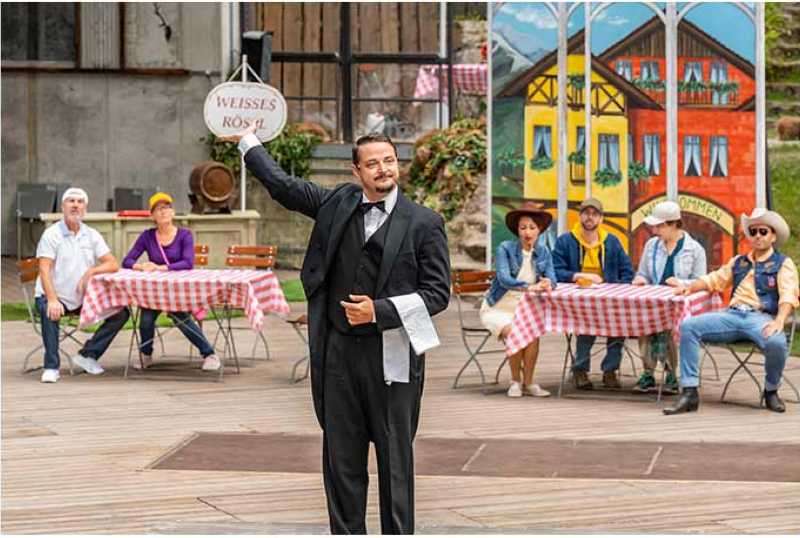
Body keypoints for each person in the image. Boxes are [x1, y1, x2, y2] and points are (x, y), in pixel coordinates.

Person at [220, 126, 450, 534]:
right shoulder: (337, 204)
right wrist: (247, 142)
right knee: (341, 460)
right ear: (357, 170)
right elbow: (283, 186)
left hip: (391, 356)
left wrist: (379, 311)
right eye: (373, 163)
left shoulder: (424, 223)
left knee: (396, 461)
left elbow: (437, 294)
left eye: (389, 161)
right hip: (339, 355)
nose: (383, 169)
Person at [665, 209, 799, 414]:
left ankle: (771, 390)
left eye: (763, 231)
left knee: (776, 342)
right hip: (732, 314)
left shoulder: (783, 264)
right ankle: (690, 392)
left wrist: (779, 321)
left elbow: (788, 294)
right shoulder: (739, 261)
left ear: (773, 236)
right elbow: (715, 279)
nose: (757, 236)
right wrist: (690, 287)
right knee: (688, 327)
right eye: (753, 232)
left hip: (759, 317)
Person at [35, 187, 129, 383]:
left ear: (85, 208)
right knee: (49, 310)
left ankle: (88, 354)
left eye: (79, 202)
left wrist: (91, 272)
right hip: (54, 294)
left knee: (122, 313)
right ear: (63, 206)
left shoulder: (91, 234)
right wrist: (52, 299)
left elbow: (112, 264)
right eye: (71, 201)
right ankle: (51, 366)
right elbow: (44, 270)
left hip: (81, 297)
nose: (75, 205)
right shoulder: (51, 234)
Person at [121, 192, 221, 371]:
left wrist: (161, 268)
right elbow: (127, 261)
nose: (163, 212)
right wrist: (142, 266)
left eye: (166, 207)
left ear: (173, 212)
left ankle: (209, 354)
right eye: (158, 209)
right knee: (146, 319)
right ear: (152, 216)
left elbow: (188, 263)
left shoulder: (184, 235)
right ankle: (146, 355)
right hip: (155, 291)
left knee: (181, 318)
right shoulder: (147, 236)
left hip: (178, 291)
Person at [552, 198, 635, 389]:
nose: (590, 217)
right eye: (586, 213)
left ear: (601, 218)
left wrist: (616, 288)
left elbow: (627, 270)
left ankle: (610, 370)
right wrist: (578, 275)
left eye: (595, 214)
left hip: (608, 297)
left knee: (618, 325)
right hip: (579, 298)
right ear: (580, 216)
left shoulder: (612, 241)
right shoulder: (565, 241)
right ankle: (580, 370)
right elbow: (555, 271)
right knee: (585, 325)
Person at [480, 201, 556, 398]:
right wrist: (530, 287)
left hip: (525, 308)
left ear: (539, 230)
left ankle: (529, 383)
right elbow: (504, 279)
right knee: (515, 332)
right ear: (517, 230)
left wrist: (548, 283)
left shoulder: (544, 252)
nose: (527, 232)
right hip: (498, 306)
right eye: (523, 228)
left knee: (533, 336)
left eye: (532, 227)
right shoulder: (505, 248)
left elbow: (553, 278)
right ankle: (515, 381)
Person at [631, 201, 707, 394]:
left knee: (672, 326)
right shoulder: (651, 246)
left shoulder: (695, 249)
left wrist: (681, 283)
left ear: (673, 224)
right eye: (655, 226)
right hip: (655, 302)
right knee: (644, 323)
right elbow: (644, 274)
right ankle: (648, 371)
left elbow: (701, 282)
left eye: (660, 226)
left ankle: (671, 372)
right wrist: (640, 279)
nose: (655, 230)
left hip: (680, 304)